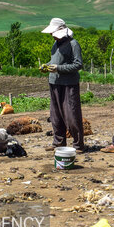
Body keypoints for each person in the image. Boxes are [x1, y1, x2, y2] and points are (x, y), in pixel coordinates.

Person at [40, 17, 85, 152]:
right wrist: (47, 66)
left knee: (71, 114)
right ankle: (58, 142)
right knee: (55, 115)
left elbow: (78, 64)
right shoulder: (55, 44)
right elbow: (55, 60)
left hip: (68, 84)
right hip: (54, 82)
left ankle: (78, 144)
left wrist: (59, 68)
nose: (51, 36)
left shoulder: (73, 44)